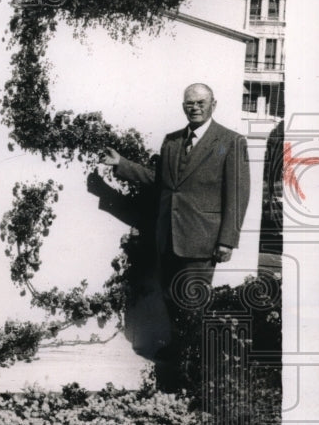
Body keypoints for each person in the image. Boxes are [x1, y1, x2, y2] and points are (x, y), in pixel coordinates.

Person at [103, 83, 251, 361]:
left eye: (200, 103)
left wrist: (227, 240)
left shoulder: (230, 142)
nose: (194, 108)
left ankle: (194, 364)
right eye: (189, 103)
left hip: (203, 241)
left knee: (193, 303)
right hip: (168, 238)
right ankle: (177, 360)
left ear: (213, 104)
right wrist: (121, 164)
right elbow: (160, 183)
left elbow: (238, 195)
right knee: (171, 301)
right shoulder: (171, 141)